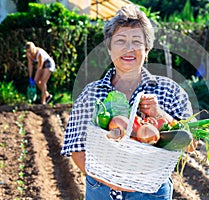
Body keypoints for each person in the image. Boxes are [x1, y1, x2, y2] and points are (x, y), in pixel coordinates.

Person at [61, 4, 195, 200]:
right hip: (101, 189)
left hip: (151, 193)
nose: (129, 49)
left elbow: (190, 144)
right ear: (109, 48)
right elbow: (75, 149)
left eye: (136, 41)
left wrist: (161, 115)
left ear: (147, 49)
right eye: (120, 41)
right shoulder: (91, 94)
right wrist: (113, 182)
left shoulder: (170, 91)